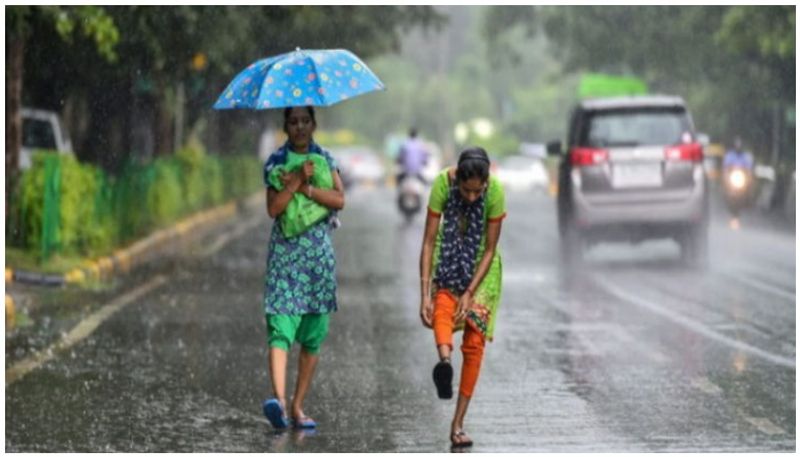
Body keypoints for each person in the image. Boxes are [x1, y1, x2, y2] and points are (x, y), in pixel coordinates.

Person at [261, 106, 345, 430]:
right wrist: (295, 180)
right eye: (293, 122)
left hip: (317, 260)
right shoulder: (276, 162)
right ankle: (279, 403)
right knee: (280, 326)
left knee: (312, 334)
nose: (299, 127)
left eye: (305, 121)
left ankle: (298, 406)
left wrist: (310, 187)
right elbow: (274, 208)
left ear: (313, 124)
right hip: (285, 256)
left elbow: (340, 200)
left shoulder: (325, 158)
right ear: (285, 126)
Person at [418, 147, 506, 449]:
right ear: (457, 181)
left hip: (483, 269)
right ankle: (444, 363)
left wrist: (470, 293)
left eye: (476, 192)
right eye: (465, 191)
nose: (471, 197)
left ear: (485, 183)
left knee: (474, 344)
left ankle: (457, 425)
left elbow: (491, 248)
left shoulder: (495, 192)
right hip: (449, 255)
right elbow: (429, 241)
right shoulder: (442, 184)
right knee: (441, 306)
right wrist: (423, 294)